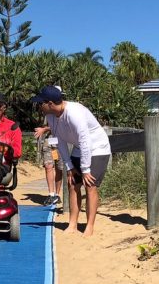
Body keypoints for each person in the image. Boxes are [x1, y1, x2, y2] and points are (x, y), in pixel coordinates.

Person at [31, 85, 111, 236]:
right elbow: (59, 140)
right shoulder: (50, 116)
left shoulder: (74, 113)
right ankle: (72, 224)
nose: (39, 105)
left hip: (97, 147)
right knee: (73, 183)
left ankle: (89, 226)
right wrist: (69, 166)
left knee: (90, 184)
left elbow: (86, 141)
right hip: (78, 148)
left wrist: (85, 170)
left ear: (50, 103)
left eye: (41, 103)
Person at [35, 129, 60, 207]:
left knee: (59, 168)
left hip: (60, 140)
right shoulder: (47, 116)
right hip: (49, 140)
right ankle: (51, 194)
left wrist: (44, 129)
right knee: (48, 166)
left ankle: (57, 195)